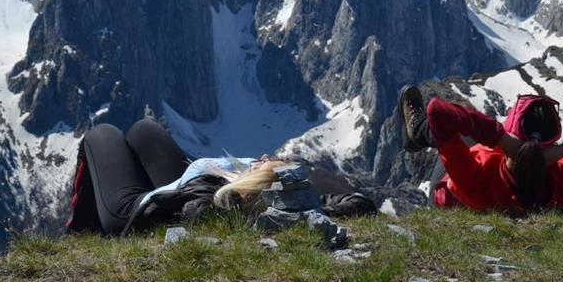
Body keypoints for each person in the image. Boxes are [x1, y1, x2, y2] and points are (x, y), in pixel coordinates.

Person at [66, 118, 376, 236]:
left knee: (101, 134)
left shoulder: (219, 199)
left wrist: (232, 202)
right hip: (184, 183)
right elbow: (361, 203)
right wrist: (315, 212)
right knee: (144, 130)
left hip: (137, 211)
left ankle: (82, 233)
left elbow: (196, 214)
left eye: (265, 164)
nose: (263, 157)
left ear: (256, 184)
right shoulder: (291, 199)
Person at [398, 86, 563, 212]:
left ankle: (416, 130)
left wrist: (499, 138)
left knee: (461, 128)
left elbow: (437, 111)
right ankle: (418, 133)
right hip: (484, 192)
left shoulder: (478, 180)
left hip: (449, 199)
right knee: (463, 130)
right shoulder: (562, 180)